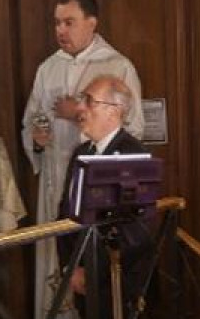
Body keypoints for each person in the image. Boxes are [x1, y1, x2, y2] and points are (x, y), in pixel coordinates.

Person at [21, 0, 144, 318]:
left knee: (97, 278)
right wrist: (37, 139)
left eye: (69, 22)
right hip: (56, 177)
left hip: (98, 190)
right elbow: (30, 121)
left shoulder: (117, 66)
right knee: (58, 252)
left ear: (92, 23)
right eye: (57, 23)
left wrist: (77, 112)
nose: (61, 30)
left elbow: (134, 130)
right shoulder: (47, 68)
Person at [59, 75, 153, 319]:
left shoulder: (133, 155)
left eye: (89, 101)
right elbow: (66, 213)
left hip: (116, 282)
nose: (80, 108)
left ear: (114, 112)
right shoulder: (81, 153)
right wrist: (71, 266)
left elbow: (135, 232)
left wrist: (91, 270)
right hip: (82, 278)